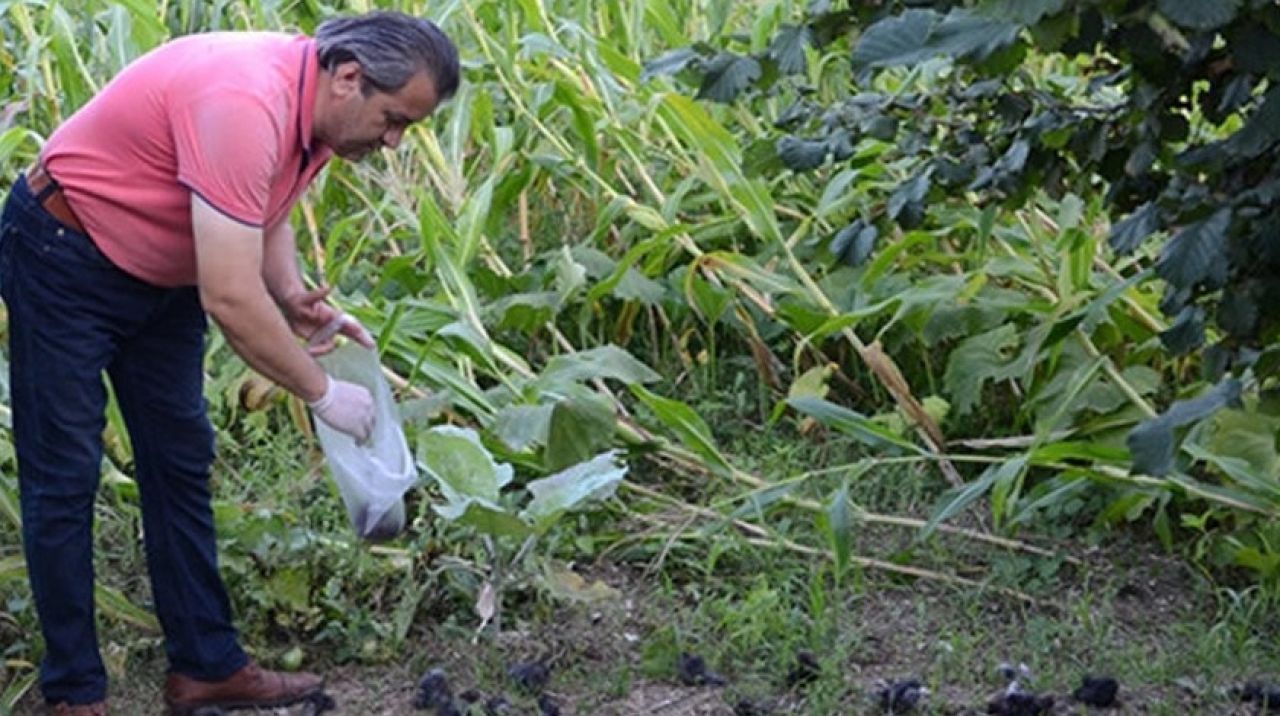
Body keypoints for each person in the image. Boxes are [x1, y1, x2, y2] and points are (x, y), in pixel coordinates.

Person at [0, 11, 458, 715]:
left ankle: (206, 666)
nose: (394, 141)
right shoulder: (246, 101)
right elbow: (229, 296)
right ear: (348, 77)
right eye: (394, 119)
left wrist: (294, 296)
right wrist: (320, 392)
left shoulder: (317, 114)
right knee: (63, 473)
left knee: (180, 459)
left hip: (162, 271)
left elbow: (259, 203)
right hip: (67, 253)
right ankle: (75, 692)